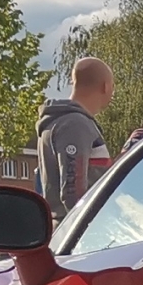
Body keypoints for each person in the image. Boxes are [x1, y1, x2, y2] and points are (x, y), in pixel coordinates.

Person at [36, 57, 113, 213]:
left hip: (64, 226)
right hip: (80, 231)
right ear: (105, 87)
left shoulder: (58, 122)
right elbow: (73, 194)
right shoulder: (75, 124)